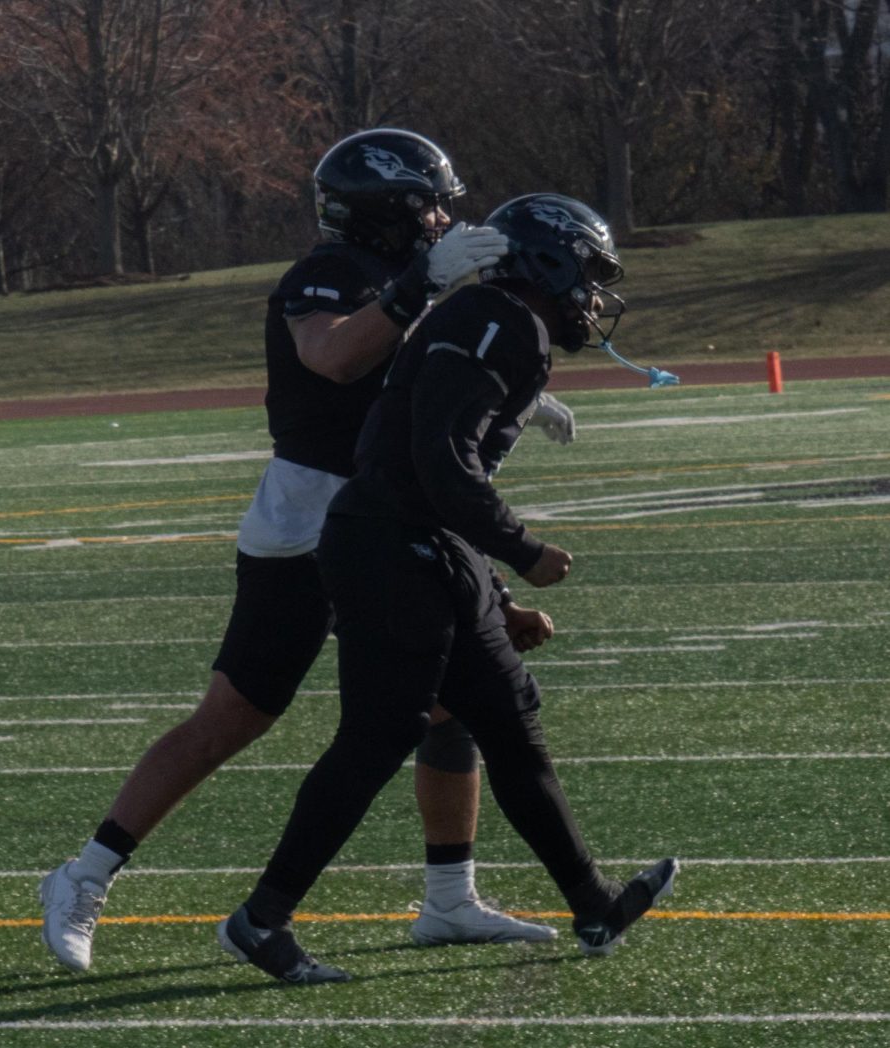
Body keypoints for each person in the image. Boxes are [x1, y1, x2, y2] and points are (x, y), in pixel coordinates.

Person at [39, 129, 556, 972]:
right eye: (425, 204)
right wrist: (421, 282)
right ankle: (83, 875)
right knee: (234, 718)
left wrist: (514, 401)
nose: (438, 218)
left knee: (449, 702)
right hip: (309, 521)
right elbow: (333, 358)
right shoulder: (333, 275)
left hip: (389, 518)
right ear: (381, 210)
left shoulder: (402, 279)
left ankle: (449, 897)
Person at [217, 192, 679, 984]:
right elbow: (441, 462)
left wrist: (489, 583)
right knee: (377, 734)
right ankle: (260, 921)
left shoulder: (498, 321)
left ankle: (592, 903)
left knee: (509, 717)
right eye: (587, 275)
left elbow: (425, 457)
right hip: (392, 546)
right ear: (548, 261)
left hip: (427, 545)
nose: (593, 298)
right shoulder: (495, 321)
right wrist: (521, 549)